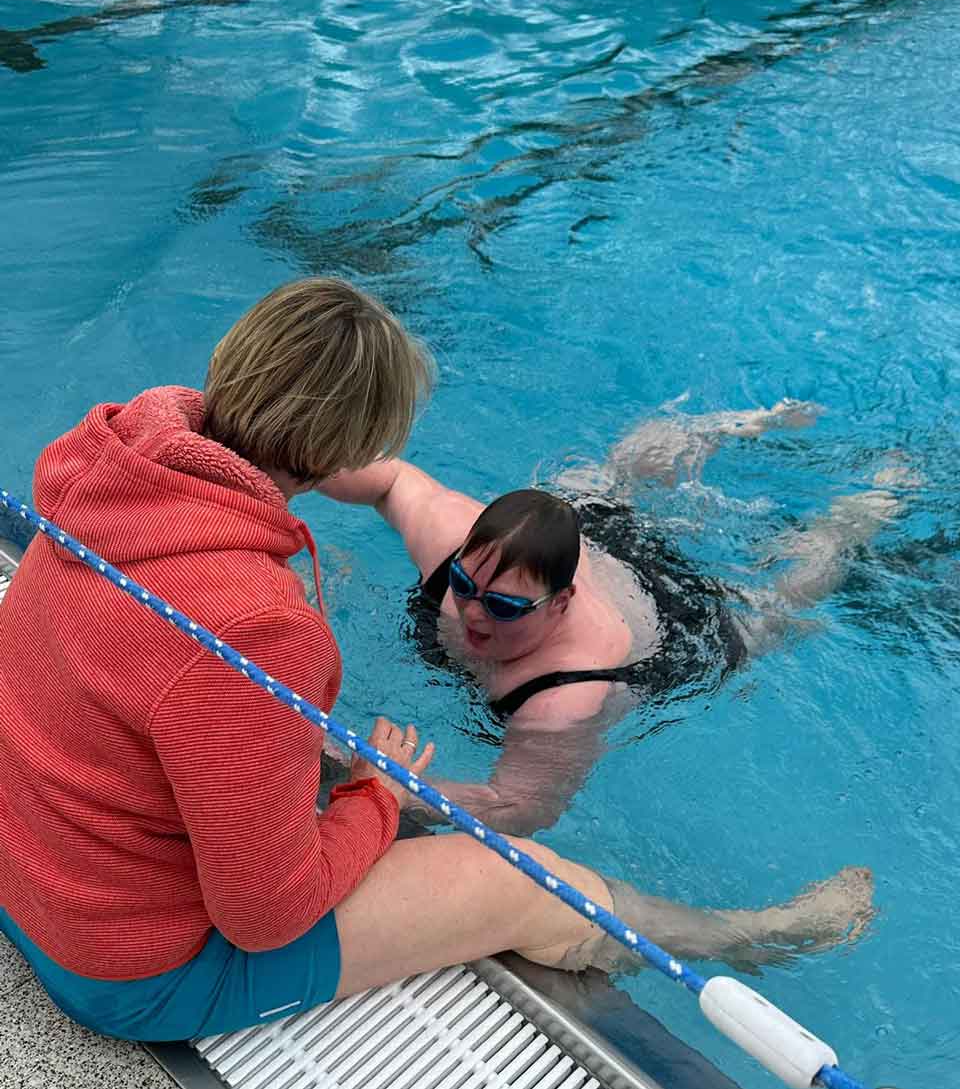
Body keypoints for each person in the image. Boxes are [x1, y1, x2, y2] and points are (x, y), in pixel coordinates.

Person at [0, 277, 874, 1044]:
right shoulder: (256, 626)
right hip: (122, 966)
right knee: (522, 880)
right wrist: (375, 799)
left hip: (25, 867)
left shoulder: (105, 474)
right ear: (343, 452)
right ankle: (745, 935)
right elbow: (263, 915)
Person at [321, 401, 910, 833]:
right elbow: (388, 476)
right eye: (464, 587)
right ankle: (737, 423)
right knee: (608, 474)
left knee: (773, 608)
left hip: (676, 627)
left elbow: (523, 805)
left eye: (501, 607)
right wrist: (277, 466)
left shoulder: (561, 697)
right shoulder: (455, 540)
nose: (473, 613)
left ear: (561, 604)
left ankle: (856, 519)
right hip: (585, 534)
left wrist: (386, 788)